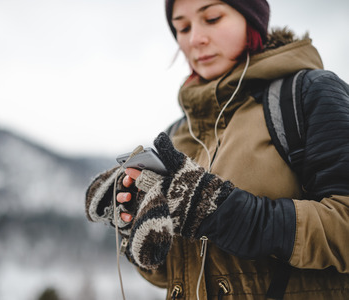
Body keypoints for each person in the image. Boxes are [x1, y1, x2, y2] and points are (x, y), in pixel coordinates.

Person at [85, 0, 349, 299]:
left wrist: (222, 211)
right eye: (182, 27)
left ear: (251, 20)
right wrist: (136, 228)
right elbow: (168, 276)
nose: (194, 38)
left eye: (211, 18)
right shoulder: (177, 133)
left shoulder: (306, 94)